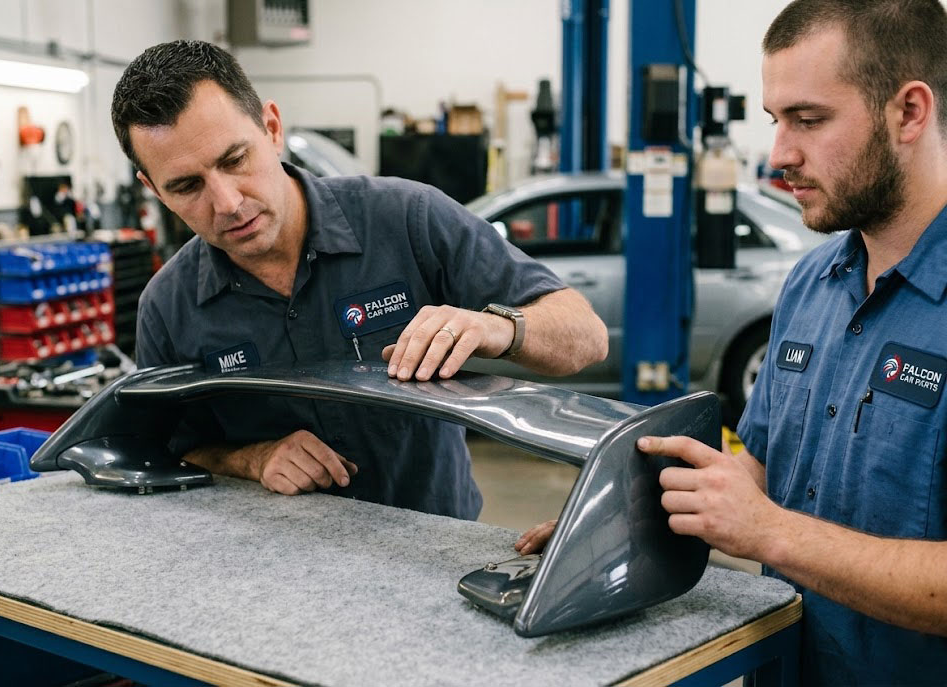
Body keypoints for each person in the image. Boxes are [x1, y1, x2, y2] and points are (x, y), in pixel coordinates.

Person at [518, 1, 947, 683]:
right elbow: (767, 469)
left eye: (810, 119)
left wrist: (771, 531)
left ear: (910, 112)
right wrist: (620, 523)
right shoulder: (810, 284)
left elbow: (768, 521)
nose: (780, 156)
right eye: (776, 121)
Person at [110, 40, 609, 521]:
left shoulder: (409, 219)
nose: (228, 203)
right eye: (187, 186)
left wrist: (497, 328)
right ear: (153, 188)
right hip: (269, 560)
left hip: (435, 549)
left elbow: (586, 338)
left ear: (272, 128)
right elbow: (163, 450)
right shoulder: (167, 307)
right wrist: (251, 459)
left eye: (234, 160)